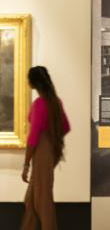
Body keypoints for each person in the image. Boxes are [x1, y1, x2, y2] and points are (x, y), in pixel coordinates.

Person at [21, 66, 71, 230]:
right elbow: (65, 126)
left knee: (42, 201)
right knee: (31, 199)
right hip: (51, 152)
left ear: (34, 82)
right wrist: (53, 139)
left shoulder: (39, 104)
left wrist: (26, 164)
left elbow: (33, 137)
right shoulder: (55, 101)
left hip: (41, 152)